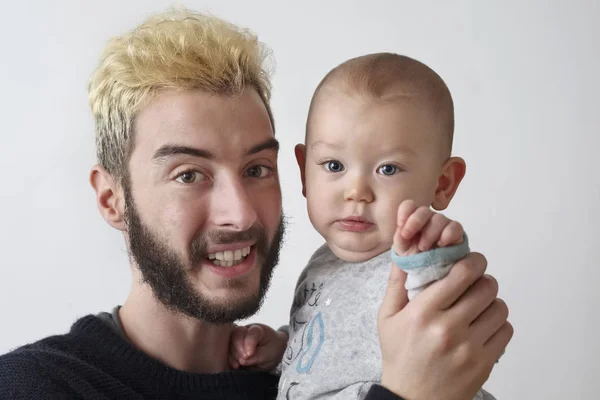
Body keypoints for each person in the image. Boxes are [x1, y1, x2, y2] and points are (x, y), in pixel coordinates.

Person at [0, 7, 512, 400]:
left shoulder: (300, 379)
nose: (241, 214)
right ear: (113, 200)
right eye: (189, 174)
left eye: (256, 170)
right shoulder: (38, 386)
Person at [229, 53, 510, 400]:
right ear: (304, 173)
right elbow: (327, 347)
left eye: (388, 169)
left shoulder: (414, 261)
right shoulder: (323, 263)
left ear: (442, 184)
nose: (356, 192)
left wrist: (436, 254)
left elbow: (468, 342)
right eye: (333, 165)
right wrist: (282, 347)